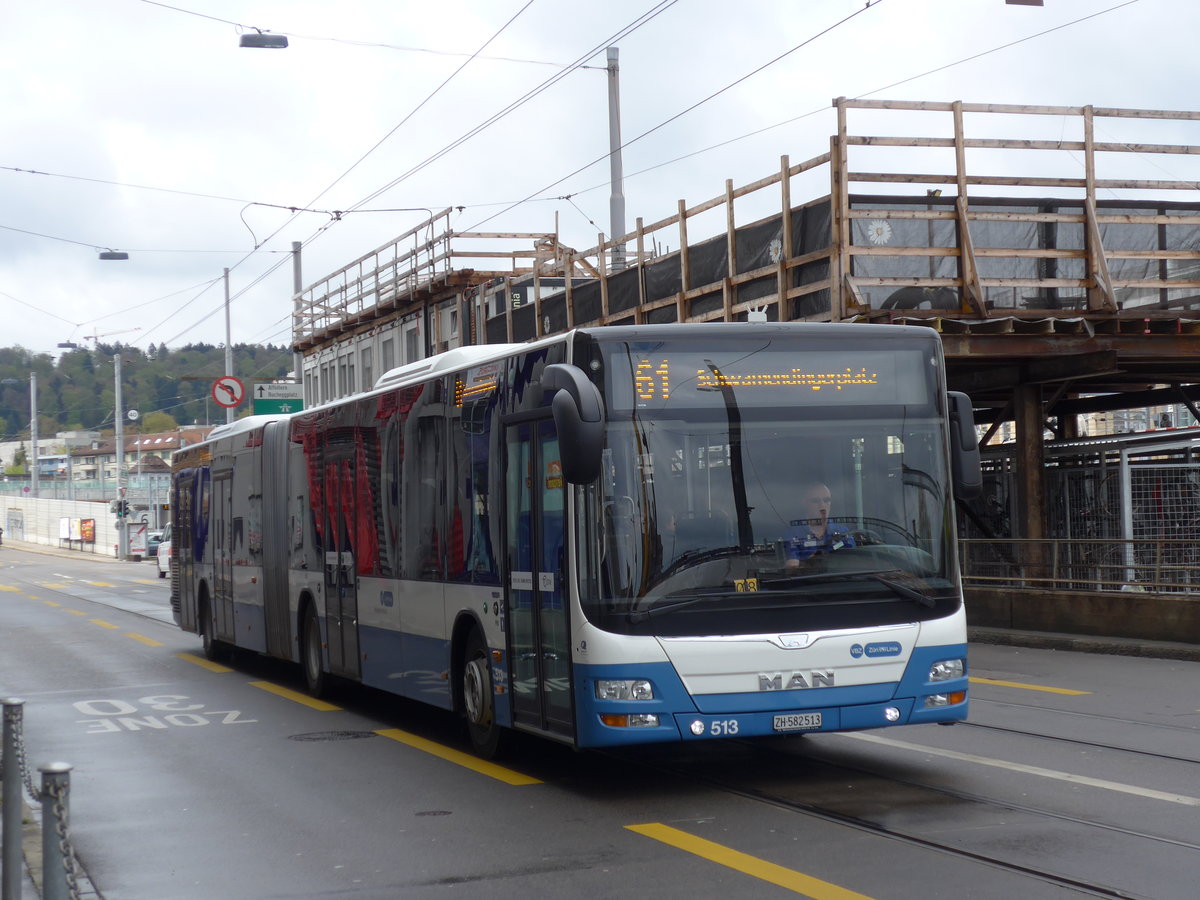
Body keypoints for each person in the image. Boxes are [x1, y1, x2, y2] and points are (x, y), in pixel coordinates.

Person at [785, 480, 854, 568]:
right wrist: (809, 563)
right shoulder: (794, 535)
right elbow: (792, 567)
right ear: (804, 503)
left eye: (826, 500)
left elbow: (854, 561)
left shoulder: (843, 532)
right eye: (815, 501)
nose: (822, 505)